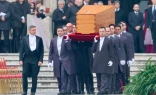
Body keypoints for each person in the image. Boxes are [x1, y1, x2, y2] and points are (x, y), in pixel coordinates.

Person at [19, 25, 44, 95]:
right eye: (33, 30)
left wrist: (40, 60)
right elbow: (21, 50)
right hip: (27, 58)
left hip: (35, 58)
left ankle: (33, 91)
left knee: (34, 75)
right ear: (29, 30)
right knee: (24, 74)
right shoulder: (24, 38)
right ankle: (25, 90)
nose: (34, 31)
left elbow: (42, 50)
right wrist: (20, 59)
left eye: (35, 30)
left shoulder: (39, 39)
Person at [48, 26, 71, 95]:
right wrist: (50, 60)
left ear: (63, 32)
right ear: (57, 32)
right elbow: (51, 51)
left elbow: (69, 49)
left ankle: (64, 90)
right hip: (56, 60)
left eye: (61, 31)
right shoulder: (53, 40)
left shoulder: (66, 39)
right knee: (58, 75)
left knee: (63, 75)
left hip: (64, 60)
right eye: (58, 31)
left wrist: (67, 41)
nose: (60, 32)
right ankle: (61, 89)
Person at [92, 26, 114, 94]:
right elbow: (93, 50)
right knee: (98, 76)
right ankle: (99, 89)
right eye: (100, 31)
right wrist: (95, 42)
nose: (101, 33)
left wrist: (111, 60)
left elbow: (111, 51)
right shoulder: (97, 40)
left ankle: (102, 90)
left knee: (103, 76)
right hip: (97, 61)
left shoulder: (109, 40)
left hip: (105, 61)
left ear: (105, 32)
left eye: (103, 31)